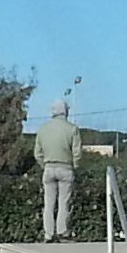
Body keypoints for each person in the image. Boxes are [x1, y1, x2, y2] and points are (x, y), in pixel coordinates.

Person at [34, 100, 80, 240]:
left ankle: (48, 234)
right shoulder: (72, 129)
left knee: (48, 203)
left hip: (48, 168)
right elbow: (77, 153)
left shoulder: (43, 129)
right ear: (65, 111)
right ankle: (62, 231)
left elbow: (37, 153)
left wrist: (44, 165)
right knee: (63, 202)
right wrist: (75, 166)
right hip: (66, 168)